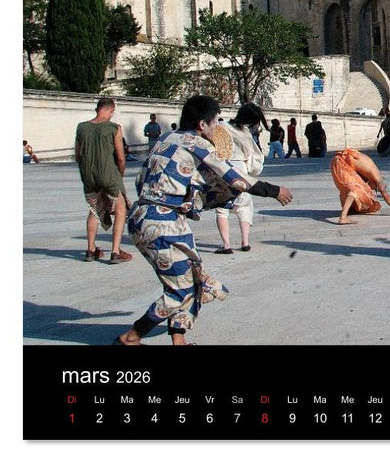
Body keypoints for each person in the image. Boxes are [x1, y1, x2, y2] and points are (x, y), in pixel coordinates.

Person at [114, 95, 292, 346]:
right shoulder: (197, 144)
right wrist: (275, 191)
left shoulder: (165, 139)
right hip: (162, 225)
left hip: (146, 218)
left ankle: (179, 340)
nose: (216, 128)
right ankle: (131, 337)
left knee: (191, 279)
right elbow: (234, 177)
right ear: (202, 125)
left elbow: (140, 180)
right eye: (215, 122)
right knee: (180, 290)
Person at [75, 98, 132, 264]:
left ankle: (91, 250)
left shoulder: (82, 127)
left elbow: (78, 155)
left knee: (95, 209)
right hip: (108, 173)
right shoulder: (114, 128)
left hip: (88, 174)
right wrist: (118, 176)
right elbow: (121, 158)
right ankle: (115, 251)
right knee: (120, 208)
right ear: (111, 110)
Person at [214, 103, 269, 253]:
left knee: (222, 208)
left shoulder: (221, 127)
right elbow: (254, 157)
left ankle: (226, 245)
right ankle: (245, 242)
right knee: (244, 207)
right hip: (242, 169)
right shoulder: (245, 133)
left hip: (224, 168)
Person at [331, 148, 390, 224]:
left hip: (338, 159)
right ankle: (343, 218)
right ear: (378, 185)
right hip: (341, 162)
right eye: (375, 189)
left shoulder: (368, 173)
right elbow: (386, 195)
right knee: (356, 189)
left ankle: (349, 209)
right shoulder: (378, 178)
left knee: (349, 188)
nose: (371, 188)